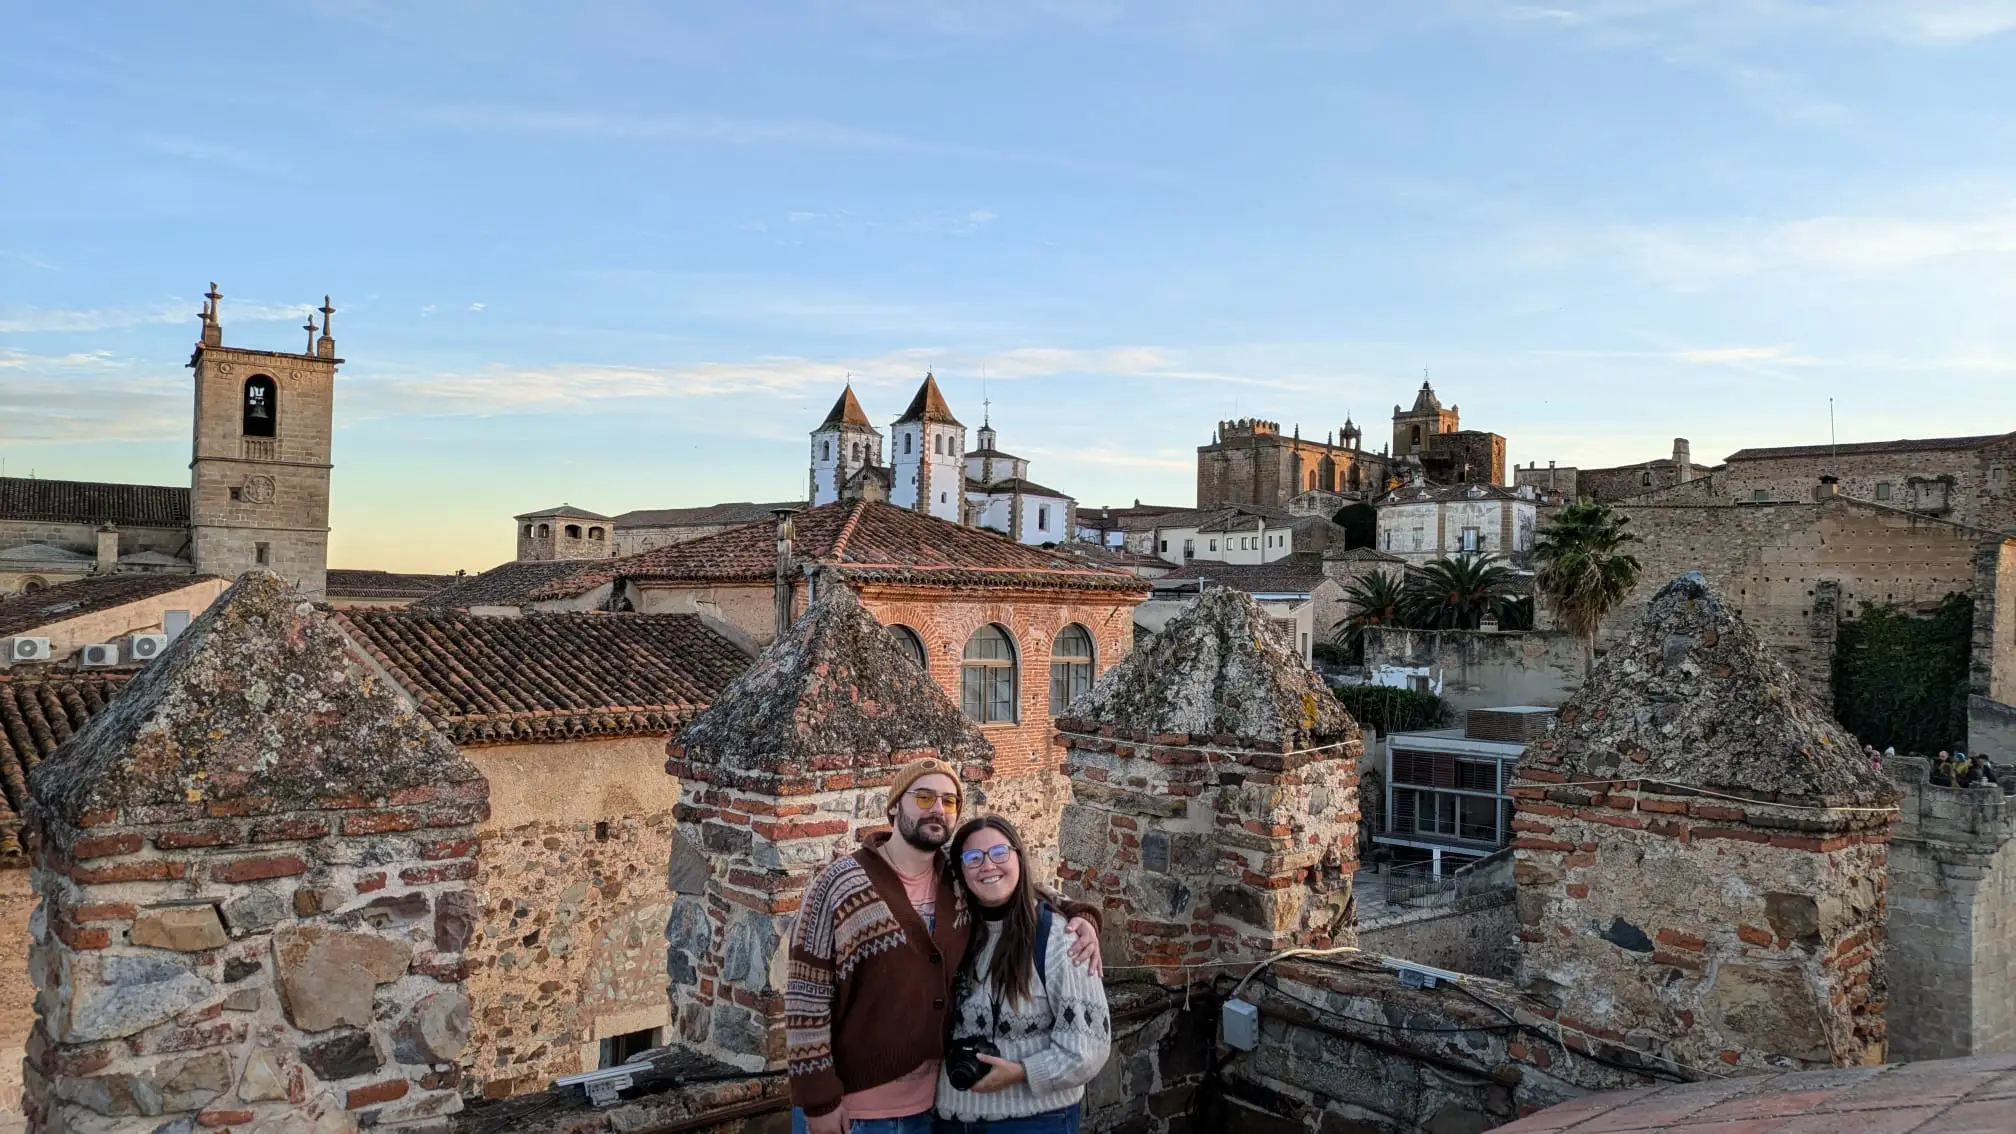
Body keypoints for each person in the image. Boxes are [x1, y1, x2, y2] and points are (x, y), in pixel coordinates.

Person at [787, 758, 1102, 1134]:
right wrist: (819, 1100)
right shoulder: (839, 884)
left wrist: (1079, 913)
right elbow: (805, 996)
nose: (937, 808)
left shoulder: (953, 879)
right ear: (893, 807)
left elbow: (1012, 885)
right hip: (855, 1108)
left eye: (949, 801)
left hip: (932, 1107)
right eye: (923, 797)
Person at [934, 815, 1110, 1134]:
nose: (987, 866)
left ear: (1019, 857)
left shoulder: (1061, 941)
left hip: (1035, 1121)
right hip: (950, 1118)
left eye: (1000, 852)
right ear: (959, 871)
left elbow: (1088, 1048)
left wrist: (1022, 1072)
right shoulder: (951, 935)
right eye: (973, 858)